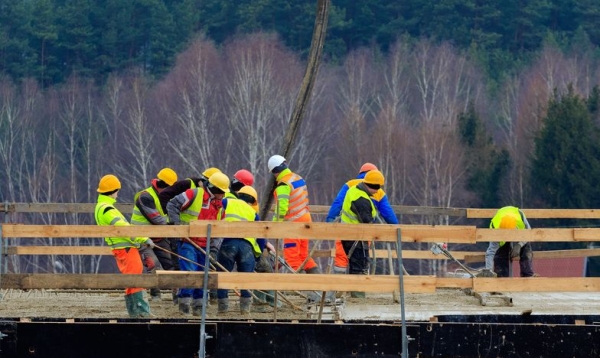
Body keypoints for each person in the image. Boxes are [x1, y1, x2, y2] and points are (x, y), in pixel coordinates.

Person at [166, 172, 228, 315]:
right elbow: (172, 205)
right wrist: (178, 226)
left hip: (204, 245)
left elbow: (220, 230)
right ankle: (184, 304)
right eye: (222, 192)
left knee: (203, 274)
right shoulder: (194, 194)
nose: (223, 195)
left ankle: (199, 307)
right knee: (190, 272)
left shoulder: (220, 207)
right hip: (187, 241)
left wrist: (213, 248)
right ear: (215, 189)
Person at [94, 174, 154, 318]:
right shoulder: (107, 209)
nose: (118, 193)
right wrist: (144, 238)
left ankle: (135, 311)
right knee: (135, 277)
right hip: (125, 248)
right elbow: (124, 228)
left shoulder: (102, 207)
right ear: (113, 190)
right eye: (117, 190)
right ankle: (140, 311)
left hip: (121, 248)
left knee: (131, 277)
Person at [327, 163, 399, 275]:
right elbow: (387, 213)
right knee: (362, 258)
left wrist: (330, 221)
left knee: (341, 256)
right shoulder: (379, 191)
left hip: (344, 229)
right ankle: (360, 283)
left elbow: (338, 203)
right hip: (364, 232)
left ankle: (338, 286)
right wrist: (396, 227)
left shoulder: (350, 185)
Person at [158, 167, 222, 271]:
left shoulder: (213, 198)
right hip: (180, 232)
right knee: (180, 261)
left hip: (198, 238)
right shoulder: (187, 185)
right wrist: (174, 220)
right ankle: (179, 285)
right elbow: (166, 198)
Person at [216, 185, 266, 315]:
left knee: (223, 275)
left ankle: (222, 308)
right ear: (252, 201)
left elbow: (216, 207)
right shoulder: (253, 213)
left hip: (229, 243)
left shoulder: (227, 202)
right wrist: (257, 256)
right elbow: (261, 237)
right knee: (246, 278)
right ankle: (245, 309)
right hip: (246, 246)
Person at [131, 167, 178, 300]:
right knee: (153, 264)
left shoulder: (166, 198)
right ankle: (155, 295)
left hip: (159, 236)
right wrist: (173, 228)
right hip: (142, 237)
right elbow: (157, 219)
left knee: (172, 264)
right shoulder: (145, 197)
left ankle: (177, 295)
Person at [268, 154, 320, 274]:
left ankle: (296, 288)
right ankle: (316, 283)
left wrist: (274, 225)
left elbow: (282, 208)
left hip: (293, 224)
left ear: (274, 171)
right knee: (304, 255)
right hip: (306, 221)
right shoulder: (297, 178)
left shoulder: (283, 185)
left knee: (292, 256)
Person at [340, 170, 386, 298]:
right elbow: (367, 220)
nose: (378, 191)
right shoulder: (361, 199)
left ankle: (355, 292)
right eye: (377, 187)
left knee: (357, 264)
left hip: (351, 235)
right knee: (359, 265)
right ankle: (358, 295)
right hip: (355, 237)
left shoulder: (356, 191)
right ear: (372, 185)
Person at [485, 206, 538, 277]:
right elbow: (490, 252)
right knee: (501, 254)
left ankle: (527, 275)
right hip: (501, 236)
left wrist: (519, 245)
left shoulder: (520, 218)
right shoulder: (495, 228)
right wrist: (489, 272)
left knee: (526, 248)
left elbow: (529, 234)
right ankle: (503, 277)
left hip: (520, 233)